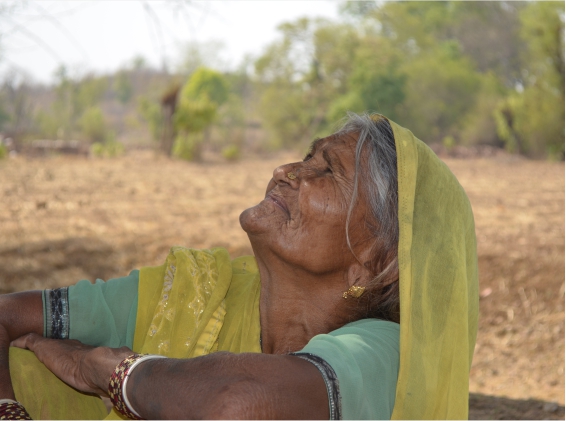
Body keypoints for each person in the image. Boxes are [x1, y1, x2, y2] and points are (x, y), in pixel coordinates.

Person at [0, 113, 478, 420]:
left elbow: (237, 402)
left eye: (328, 170)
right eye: (306, 156)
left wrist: (107, 370)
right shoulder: (192, 291)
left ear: (375, 262)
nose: (285, 171)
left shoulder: (384, 353)